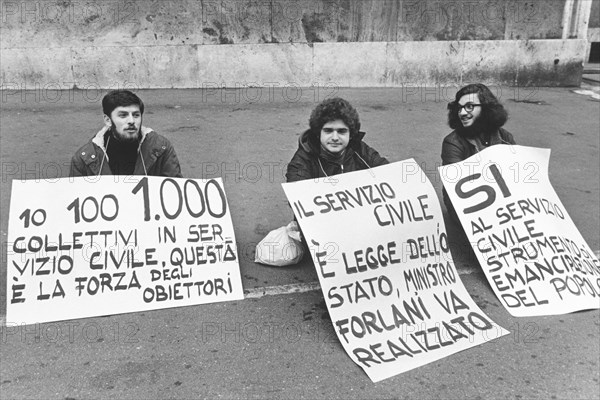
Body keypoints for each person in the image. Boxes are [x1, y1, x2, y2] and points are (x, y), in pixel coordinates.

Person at [441, 83, 516, 222]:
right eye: (459, 108)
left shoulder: (505, 137)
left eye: (469, 106)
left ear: (487, 109)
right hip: (467, 205)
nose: (462, 113)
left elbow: (517, 176)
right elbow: (458, 188)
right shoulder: (452, 142)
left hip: (502, 199)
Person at [70, 90, 182, 177]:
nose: (132, 121)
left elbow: (174, 192)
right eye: (123, 115)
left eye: (136, 115)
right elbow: (76, 199)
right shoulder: (85, 158)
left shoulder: (161, 148)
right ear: (108, 120)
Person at [286, 97, 388, 182]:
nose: (335, 138)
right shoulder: (303, 160)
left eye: (342, 131)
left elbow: (388, 174)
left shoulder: (361, 151)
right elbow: (297, 194)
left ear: (351, 134)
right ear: (318, 133)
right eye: (328, 131)